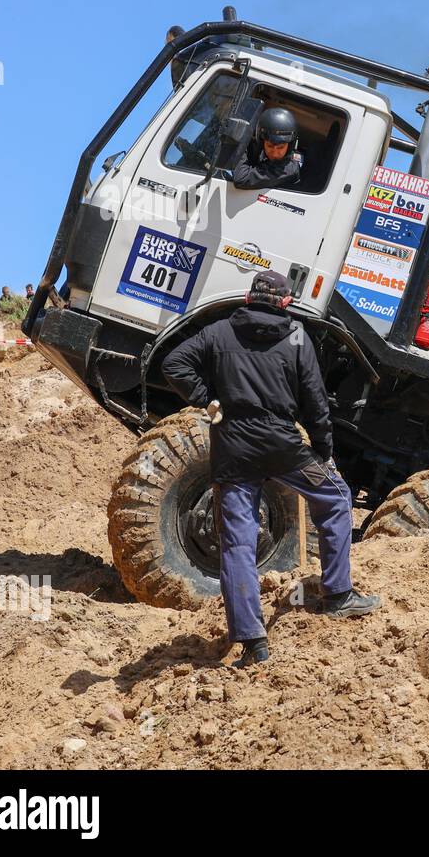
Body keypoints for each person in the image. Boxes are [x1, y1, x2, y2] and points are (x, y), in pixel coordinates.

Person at [161, 271, 380, 666]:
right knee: (335, 496)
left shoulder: (220, 330)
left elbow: (173, 363)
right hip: (284, 447)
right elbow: (316, 402)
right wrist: (324, 450)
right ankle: (338, 594)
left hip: (232, 448)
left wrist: (207, 399)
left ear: (248, 297)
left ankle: (253, 642)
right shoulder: (297, 336)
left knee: (238, 544)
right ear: (285, 302)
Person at [232, 107, 302, 190]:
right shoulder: (259, 151)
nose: (274, 153)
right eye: (270, 146)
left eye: (281, 147)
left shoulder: (289, 169)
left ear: (290, 145)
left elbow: (241, 179)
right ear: (261, 142)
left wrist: (244, 140)